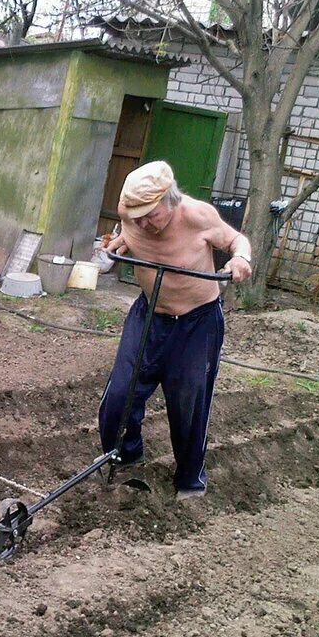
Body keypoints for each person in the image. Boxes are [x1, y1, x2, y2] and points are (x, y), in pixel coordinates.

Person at [98, 160, 252, 500]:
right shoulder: (131, 214)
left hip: (197, 323)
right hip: (150, 315)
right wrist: (121, 241)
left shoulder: (198, 216)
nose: (142, 222)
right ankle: (128, 452)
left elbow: (236, 240)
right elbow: (129, 231)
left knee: (188, 404)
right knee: (118, 397)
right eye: (136, 215)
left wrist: (241, 259)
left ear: (170, 199)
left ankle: (189, 481)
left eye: (150, 215)